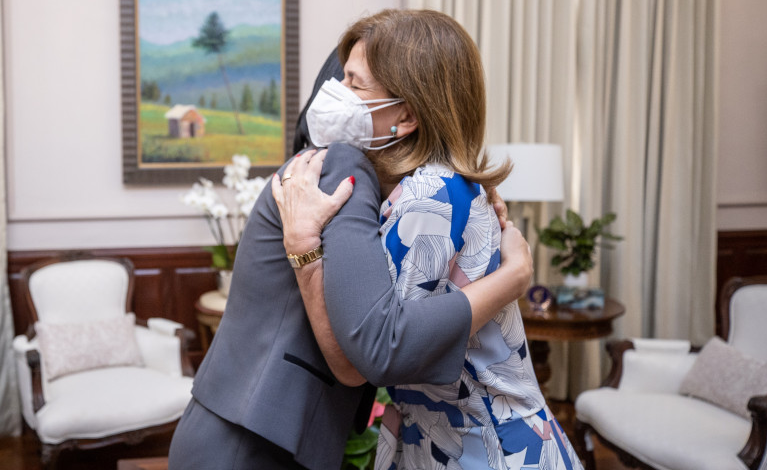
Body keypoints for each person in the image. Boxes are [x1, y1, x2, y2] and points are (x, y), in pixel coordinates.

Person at [167, 41, 534, 469]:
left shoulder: (360, 178)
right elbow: (369, 353)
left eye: (354, 83)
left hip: (242, 428)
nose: (340, 93)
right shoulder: (340, 167)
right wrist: (512, 277)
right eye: (346, 80)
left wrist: (473, 213)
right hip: (250, 438)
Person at [271, 9, 583, 469]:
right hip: (442, 437)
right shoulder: (424, 189)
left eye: (355, 84)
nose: (336, 93)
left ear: (407, 115)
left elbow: (374, 353)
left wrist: (304, 250)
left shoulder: (431, 193)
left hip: (488, 448)